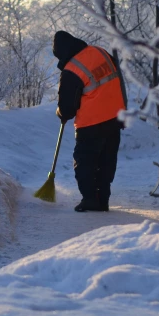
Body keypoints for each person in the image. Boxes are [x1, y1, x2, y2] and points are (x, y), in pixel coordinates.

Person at [52, 31, 127, 212]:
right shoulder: (99, 51)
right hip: (116, 116)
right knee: (106, 161)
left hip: (92, 123)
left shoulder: (72, 69)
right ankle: (103, 200)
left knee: (85, 162)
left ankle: (90, 199)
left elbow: (67, 107)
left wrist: (61, 113)